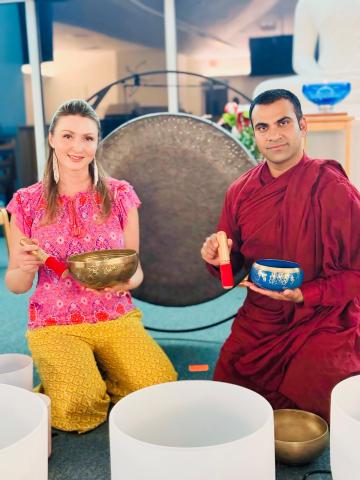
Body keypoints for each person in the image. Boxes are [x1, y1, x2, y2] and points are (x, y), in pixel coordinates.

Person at [5, 99, 177, 433]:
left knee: (159, 388)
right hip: (55, 323)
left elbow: (135, 267)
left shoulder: (120, 194)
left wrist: (126, 282)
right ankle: (83, 376)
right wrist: (25, 266)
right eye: (68, 136)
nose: (77, 147)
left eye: (87, 138)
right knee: (77, 409)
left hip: (114, 316)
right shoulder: (26, 202)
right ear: (52, 138)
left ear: (97, 143)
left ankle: (97, 369)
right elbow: (15, 284)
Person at [201, 89, 360, 421]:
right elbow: (231, 273)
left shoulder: (333, 188)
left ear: (303, 126)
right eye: (262, 127)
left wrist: (307, 293)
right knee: (228, 397)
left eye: (283, 122)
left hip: (322, 316)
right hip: (262, 316)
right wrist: (217, 259)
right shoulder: (240, 191)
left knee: (322, 393)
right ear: (253, 132)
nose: (273, 135)